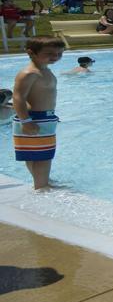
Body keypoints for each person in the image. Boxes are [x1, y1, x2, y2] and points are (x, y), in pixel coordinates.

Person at [11, 35, 63, 191]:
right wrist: (26, 122)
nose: (55, 57)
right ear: (31, 53)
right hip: (34, 119)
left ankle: (41, 181)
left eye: (59, 54)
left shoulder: (44, 70)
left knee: (35, 154)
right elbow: (18, 98)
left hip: (43, 118)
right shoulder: (29, 73)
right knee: (43, 156)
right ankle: (42, 186)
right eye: (49, 54)